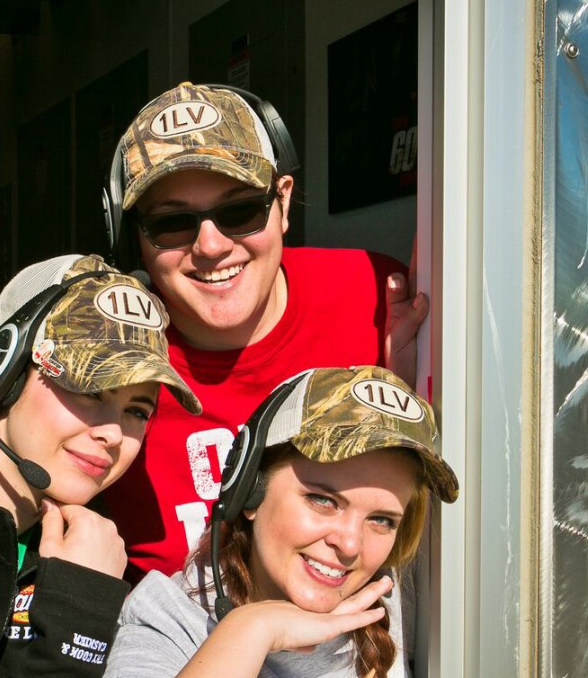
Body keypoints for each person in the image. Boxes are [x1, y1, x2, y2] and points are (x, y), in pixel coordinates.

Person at [68, 365, 458, 678]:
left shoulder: (401, 594)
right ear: (247, 492)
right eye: (322, 500)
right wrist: (251, 629)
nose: (350, 545)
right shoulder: (171, 616)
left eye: (381, 519)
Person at [100, 81, 429, 581]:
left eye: (239, 211)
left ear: (282, 204)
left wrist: (420, 391)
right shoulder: (106, 358)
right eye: (173, 223)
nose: (210, 246)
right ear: (133, 242)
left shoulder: (376, 302)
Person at [0, 255, 201, 678]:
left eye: (137, 409)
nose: (113, 433)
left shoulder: (84, 538)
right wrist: (77, 612)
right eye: (89, 392)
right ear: (3, 374)